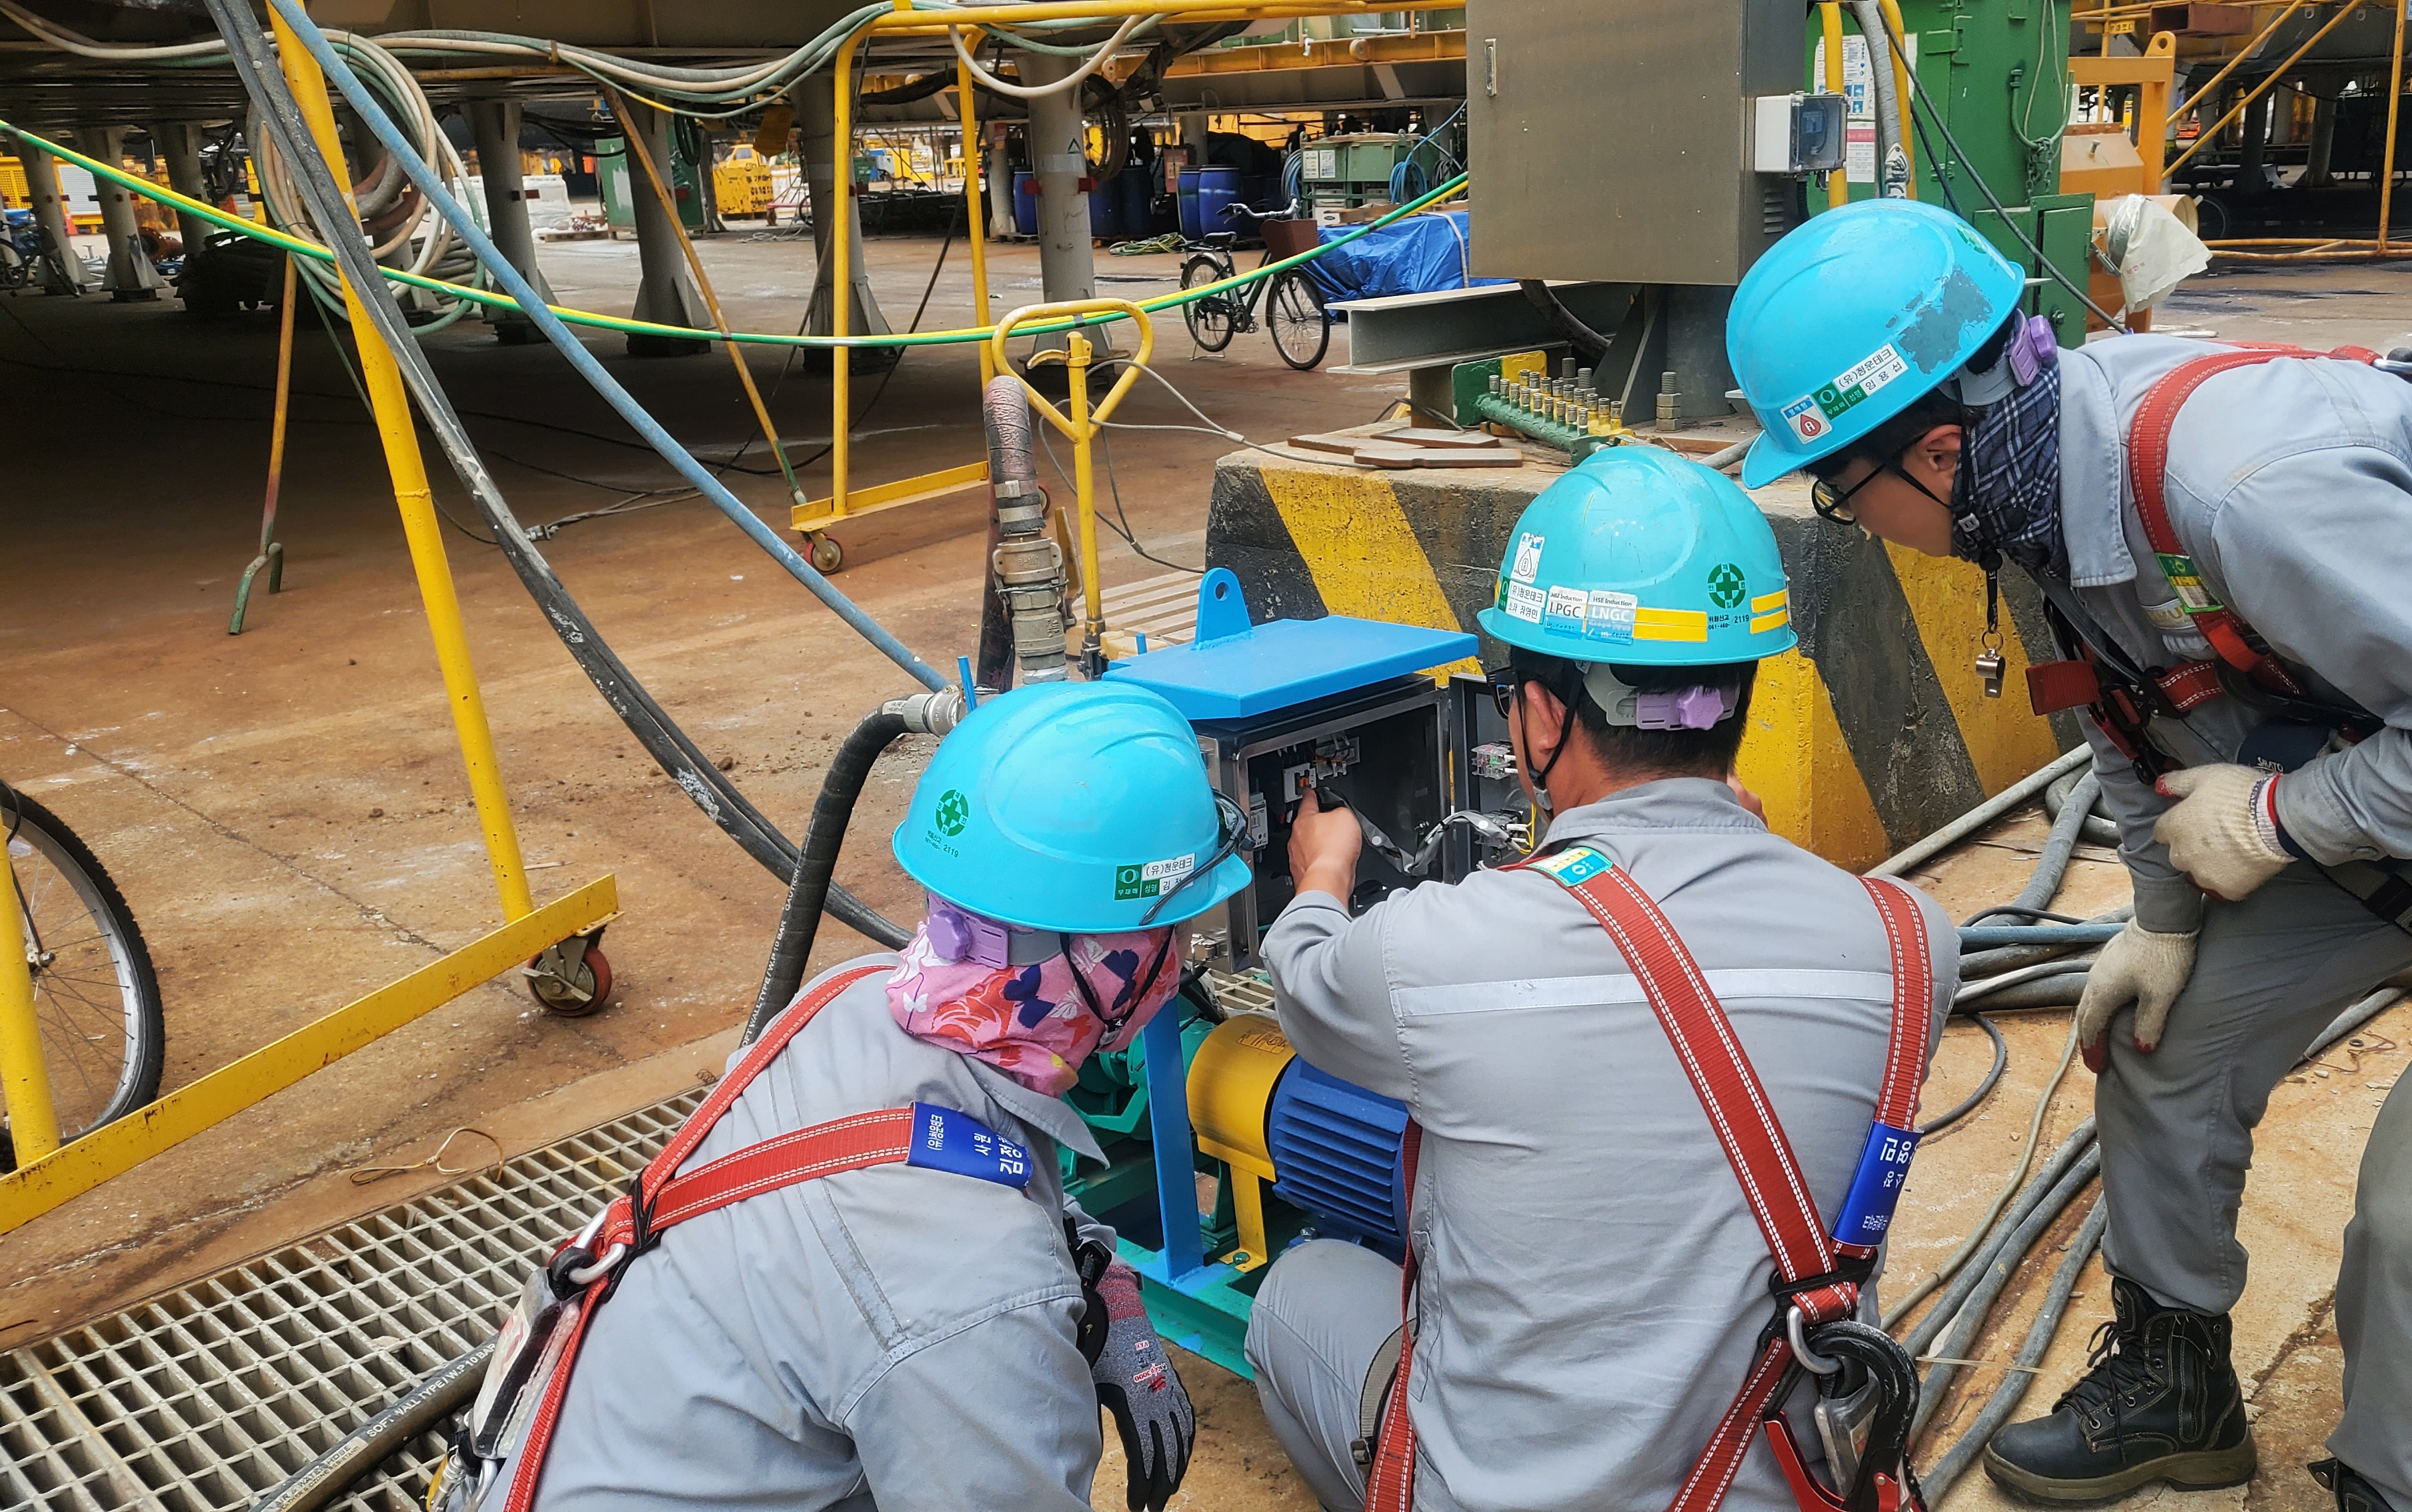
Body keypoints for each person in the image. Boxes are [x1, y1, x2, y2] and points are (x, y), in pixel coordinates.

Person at [1724, 199, 2412, 1512]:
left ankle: (2408, 1491)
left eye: (1842, 490)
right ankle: (2180, 1392)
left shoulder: (2242, 484)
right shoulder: (2041, 481)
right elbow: (2131, 714)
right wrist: (2166, 916)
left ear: (1936, 454)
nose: (1855, 515)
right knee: (2154, 1047)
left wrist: (2282, 825)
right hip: (2409, 802)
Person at [1244, 445, 1959, 1512]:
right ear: (1742, 693)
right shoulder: (1915, 943)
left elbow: (1299, 986)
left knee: (1297, 1290)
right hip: (1765, 1479)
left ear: (1539, 716)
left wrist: (1322, 875)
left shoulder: (1427, 949)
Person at [442, 681, 1244, 1512]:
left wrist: (1093, 1268)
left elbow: (958, 1158)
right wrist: (1032, 1303)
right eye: (1175, 931)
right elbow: (948, 1269)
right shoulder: (972, 1299)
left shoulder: (848, 998)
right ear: (1112, 957)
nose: (1182, 959)